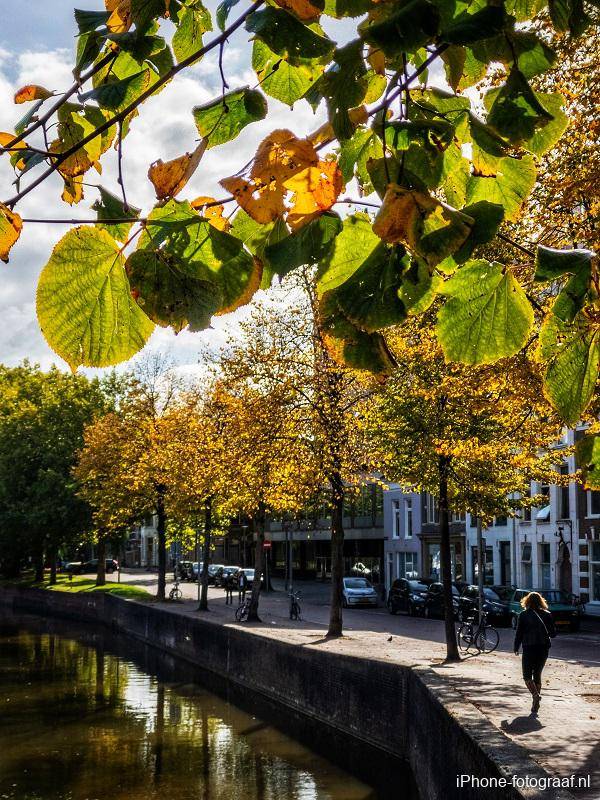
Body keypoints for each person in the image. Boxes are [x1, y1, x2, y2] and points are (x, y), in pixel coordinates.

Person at [514, 591, 556, 714]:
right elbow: (553, 634)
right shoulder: (547, 615)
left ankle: (535, 695)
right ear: (540, 602)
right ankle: (535, 701)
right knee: (537, 674)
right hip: (543, 648)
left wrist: (516, 647)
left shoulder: (523, 615)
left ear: (527, 601)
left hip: (528, 647)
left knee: (527, 675)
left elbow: (519, 633)